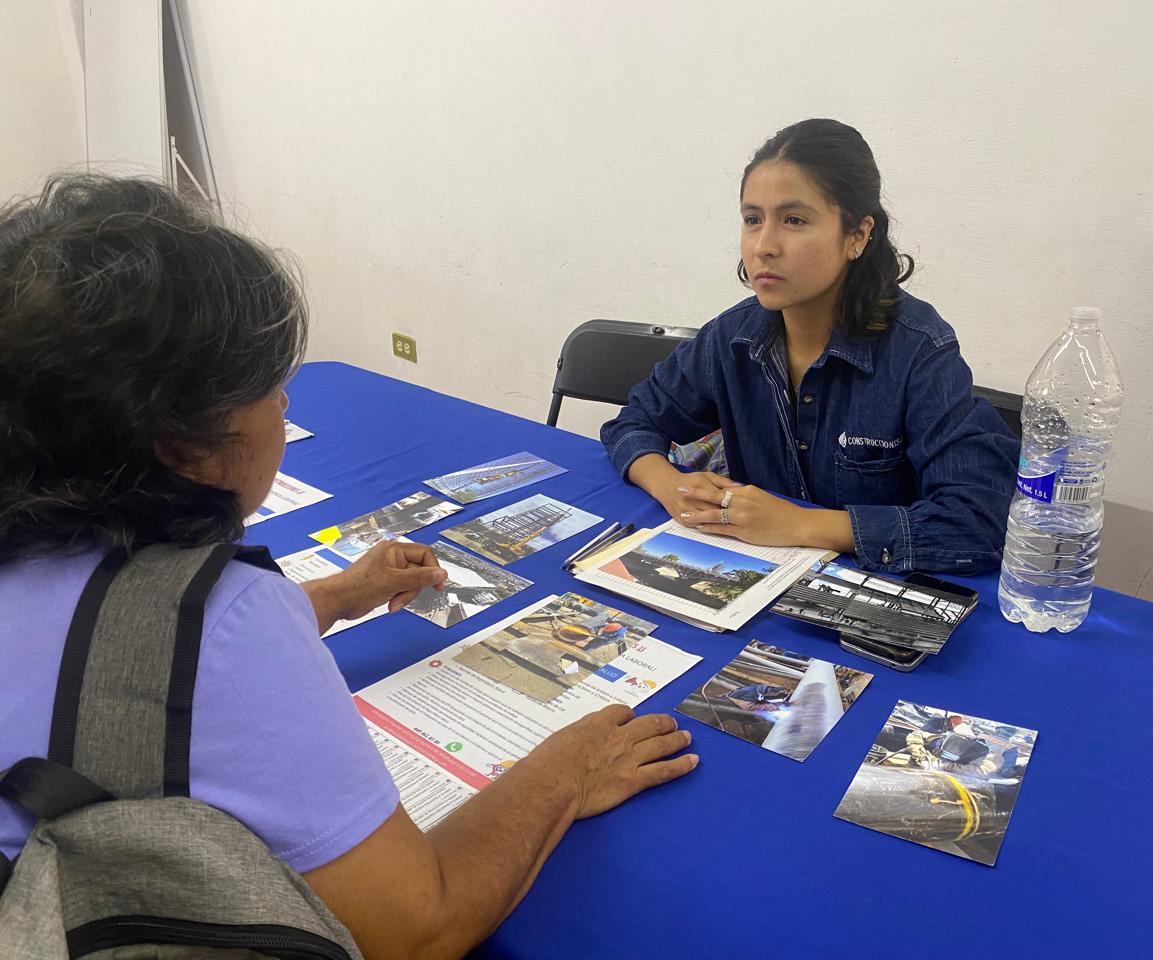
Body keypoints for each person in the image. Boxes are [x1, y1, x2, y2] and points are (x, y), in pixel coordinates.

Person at [0, 176, 698, 959]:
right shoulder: (224, 617)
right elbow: (417, 930)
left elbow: (125, 656)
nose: (286, 407)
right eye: (266, 386)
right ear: (181, 445)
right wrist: (562, 772)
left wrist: (339, 593)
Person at [601, 119, 1019, 574]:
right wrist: (669, 487)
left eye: (794, 220)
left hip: (867, 596)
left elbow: (977, 522)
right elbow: (634, 422)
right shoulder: (732, 337)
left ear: (858, 235)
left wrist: (801, 524)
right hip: (750, 575)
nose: (764, 246)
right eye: (752, 220)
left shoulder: (919, 350)